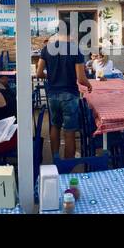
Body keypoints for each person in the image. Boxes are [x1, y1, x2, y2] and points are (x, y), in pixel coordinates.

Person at [35, 25, 92, 161]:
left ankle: (56, 159)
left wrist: (51, 77)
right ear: (71, 33)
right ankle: (68, 166)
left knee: (55, 125)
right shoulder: (75, 50)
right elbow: (80, 78)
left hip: (53, 94)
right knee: (69, 131)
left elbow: (38, 73)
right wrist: (88, 84)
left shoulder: (47, 49)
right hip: (70, 95)